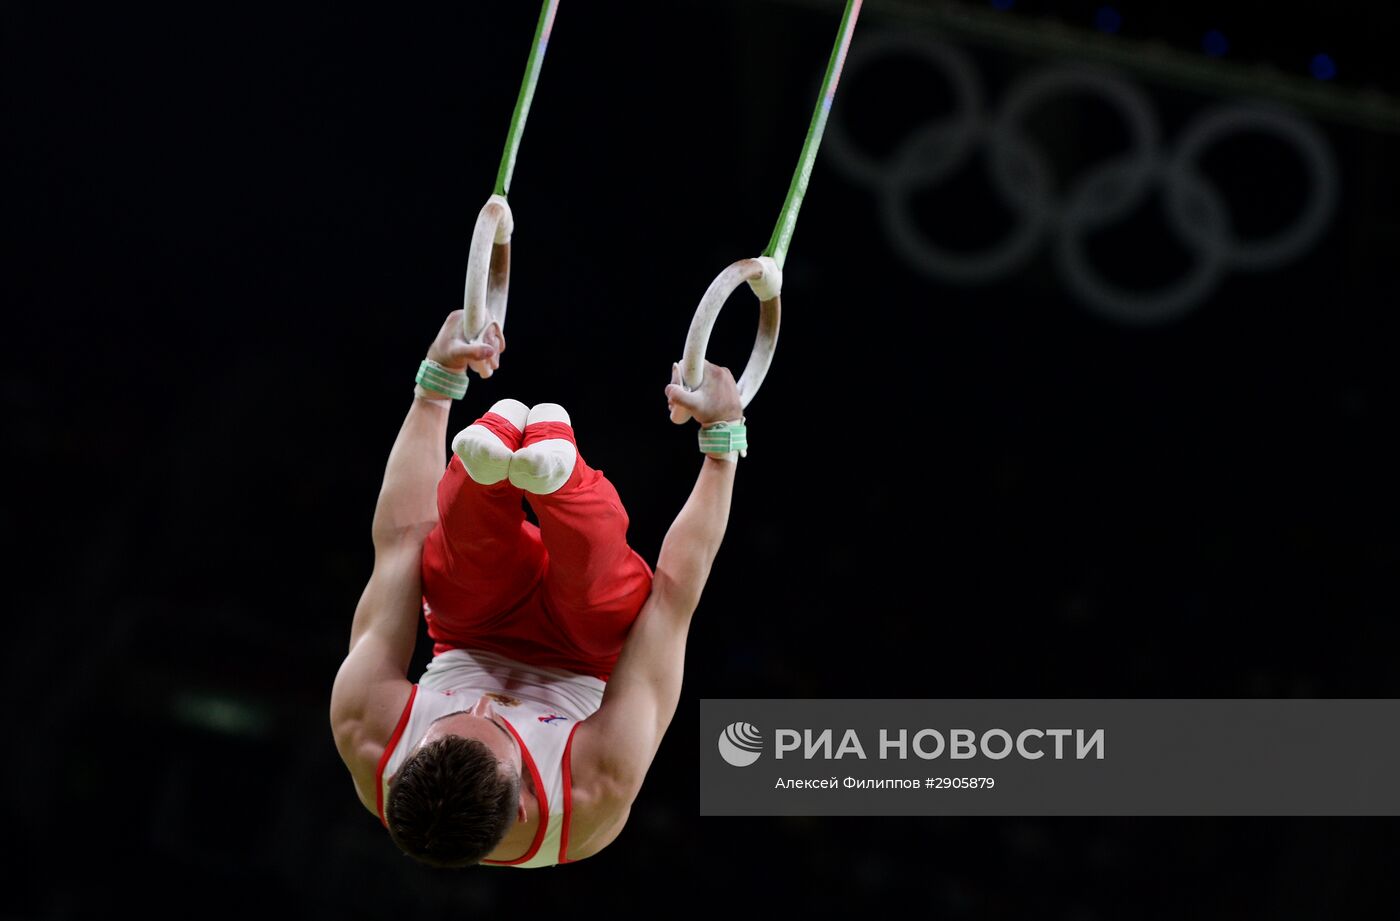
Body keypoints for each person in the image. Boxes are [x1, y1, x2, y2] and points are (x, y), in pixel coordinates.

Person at [329, 307, 747, 868]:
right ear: (524, 804)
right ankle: (561, 476)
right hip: (585, 657)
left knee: (457, 557)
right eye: (497, 724)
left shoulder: (368, 731)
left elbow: (401, 540)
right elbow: (673, 603)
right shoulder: (594, 790)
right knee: (598, 584)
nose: (482, 703)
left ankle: (484, 471)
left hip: (468, 631)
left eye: (456, 714)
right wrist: (722, 442)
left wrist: (436, 382)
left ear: (404, 761)